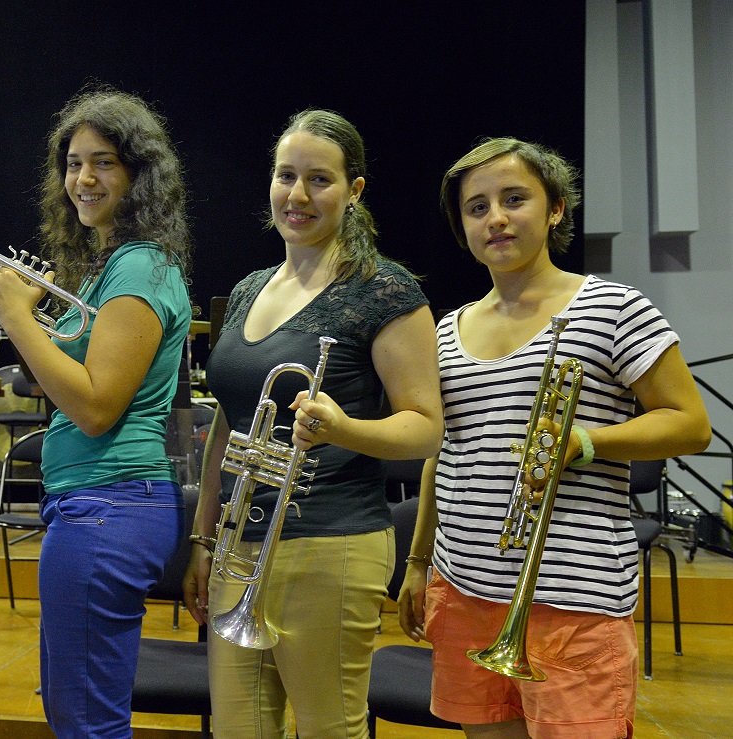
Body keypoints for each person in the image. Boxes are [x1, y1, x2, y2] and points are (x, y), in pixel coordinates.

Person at [398, 137, 712, 739]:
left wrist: (585, 442)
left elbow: (690, 423)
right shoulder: (443, 330)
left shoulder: (616, 309)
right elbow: (442, 456)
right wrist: (418, 562)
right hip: (463, 585)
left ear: (556, 209)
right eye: (476, 207)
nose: (496, 218)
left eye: (515, 198)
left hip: (575, 593)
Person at [181, 109, 444, 739]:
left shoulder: (384, 290)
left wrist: (342, 429)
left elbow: (426, 427)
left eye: (318, 180)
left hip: (332, 543)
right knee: (238, 731)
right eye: (285, 176)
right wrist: (202, 536)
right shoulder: (248, 289)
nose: (296, 196)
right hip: (238, 546)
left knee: (328, 728)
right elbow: (231, 422)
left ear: (354, 191)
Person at [0, 87, 193, 738]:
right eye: (73, 162)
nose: (83, 178)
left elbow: (97, 407)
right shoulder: (111, 268)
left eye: (104, 162)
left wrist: (17, 317)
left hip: (110, 507)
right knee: (79, 713)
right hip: (98, 504)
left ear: (139, 174)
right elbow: (74, 385)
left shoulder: (137, 268)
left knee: (86, 722)